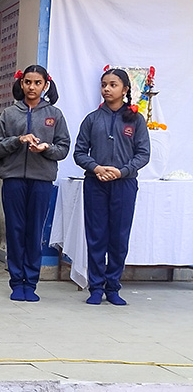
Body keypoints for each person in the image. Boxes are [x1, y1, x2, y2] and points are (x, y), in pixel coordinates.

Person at [0, 65, 70, 301]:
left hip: (41, 180)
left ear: (45, 85)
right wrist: (17, 140)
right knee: (15, 231)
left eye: (37, 83)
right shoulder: (9, 114)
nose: (31, 87)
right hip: (13, 180)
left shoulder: (54, 114)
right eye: (27, 82)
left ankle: (31, 283)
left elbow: (64, 148)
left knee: (35, 232)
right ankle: (16, 282)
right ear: (21, 83)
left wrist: (46, 148)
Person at [74, 66, 150, 305]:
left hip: (124, 185)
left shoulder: (136, 120)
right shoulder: (92, 119)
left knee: (119, 237)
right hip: (95, 184)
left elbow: (143, 154)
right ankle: (96, 287)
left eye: (113, 85)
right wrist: (96, 168)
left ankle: (113, 287)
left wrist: (122, 171)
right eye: (104, 85)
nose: (107, 89)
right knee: (96, 236)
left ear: (125, 89)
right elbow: (79, 152)